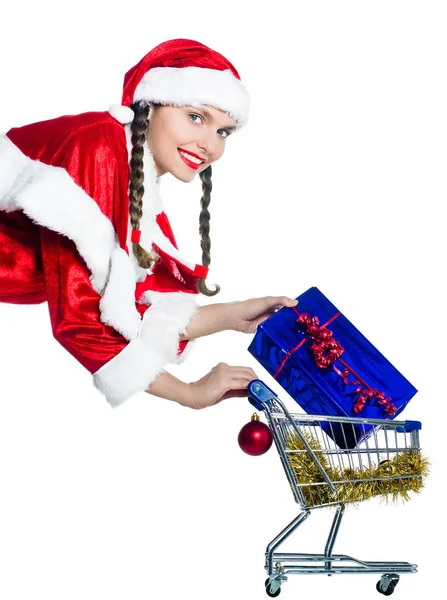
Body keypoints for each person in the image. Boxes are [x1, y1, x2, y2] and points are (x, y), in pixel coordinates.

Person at [0, 38, 297, 410]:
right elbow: (80, 320)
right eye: (196, 117)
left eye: (223, 131)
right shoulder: (96, 150)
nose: (210, 145)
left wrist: (237, 315)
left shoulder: (133, 175)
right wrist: (189, 393)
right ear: (149, 105)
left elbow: (134, 304)